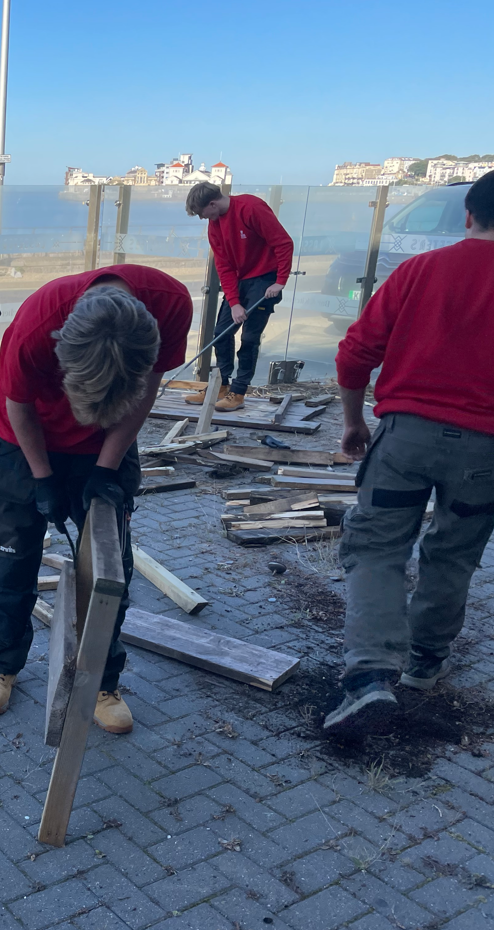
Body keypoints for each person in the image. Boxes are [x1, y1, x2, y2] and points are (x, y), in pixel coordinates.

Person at [0, 265, 191, 731]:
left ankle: (102, 681)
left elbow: (145, 392)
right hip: (21, 441)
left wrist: (106, 468)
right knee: (11, 562)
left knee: (110, 574)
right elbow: (18, 404)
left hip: (104, 442)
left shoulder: (171, 304)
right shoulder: (38, 321)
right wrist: (43, 478)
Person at [322, 174, 494, 737]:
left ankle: (369, 677)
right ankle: (424, 662)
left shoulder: (419, 270)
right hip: (485, 452)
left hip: (405, 437)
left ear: (468, 214)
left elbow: (355, 354)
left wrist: (352, 423)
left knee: (375, 548)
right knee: (453, 554)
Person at [185, 182, 294, 411]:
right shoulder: (215, 225)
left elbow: (283, 243)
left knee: (249, 338)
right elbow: (223, 266)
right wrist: (234, 303)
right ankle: (220, 386)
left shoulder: (251, 208)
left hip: (265, 279)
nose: (203, 218)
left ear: (212, 203)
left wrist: (280, 281)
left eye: (202, 213)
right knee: (221, 334)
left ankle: (238, 392)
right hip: (241, 280)